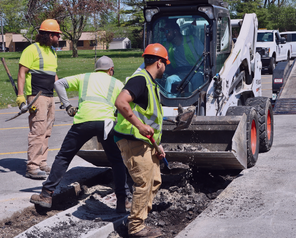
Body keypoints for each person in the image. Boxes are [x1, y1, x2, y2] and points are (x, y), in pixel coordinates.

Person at [30, 56, 131, 213]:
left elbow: (58, 83)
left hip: (83, 121)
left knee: (64, 157)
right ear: (110, 70)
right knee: (117, 161)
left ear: (96, 68)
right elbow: (124, 103)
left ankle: (46, 195)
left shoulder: (85, 77)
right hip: (106, 123)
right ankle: (122, 201)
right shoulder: (117, 83)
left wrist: (68, 105)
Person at [114, 43, 169, 238]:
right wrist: (138, 126)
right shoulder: (140, 80)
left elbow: (149, 120)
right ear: (160, 62)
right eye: (165, 64)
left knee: (154, 181)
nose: (165, 68)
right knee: (143, 182)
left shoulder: (149, 83)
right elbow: (121, 102)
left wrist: (157, 144)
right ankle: (136, 227)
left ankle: (140, 219)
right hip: (132, 140)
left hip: (145, 142)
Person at [16, 19, 61, 179]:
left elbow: (54, 75)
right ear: (49, 35)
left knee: (46, 132)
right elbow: (22, 73)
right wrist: (21, 97)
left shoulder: (53, 51)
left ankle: (42, 163)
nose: (58, 38)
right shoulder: (31, 50)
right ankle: (32, 167)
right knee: (37, 131)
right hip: (37, 97)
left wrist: (62, 97)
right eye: (57, 35)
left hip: (49, 97)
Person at [163, 21, 204, 95]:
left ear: (175, 31)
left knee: (197, 78)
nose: (165, 35)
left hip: (196, 71)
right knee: (169, 80)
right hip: (180, 73)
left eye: (167, 31)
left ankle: (197, 101)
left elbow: (204, 55)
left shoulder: (192, 40)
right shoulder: (167, 45)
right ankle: (169, 102)